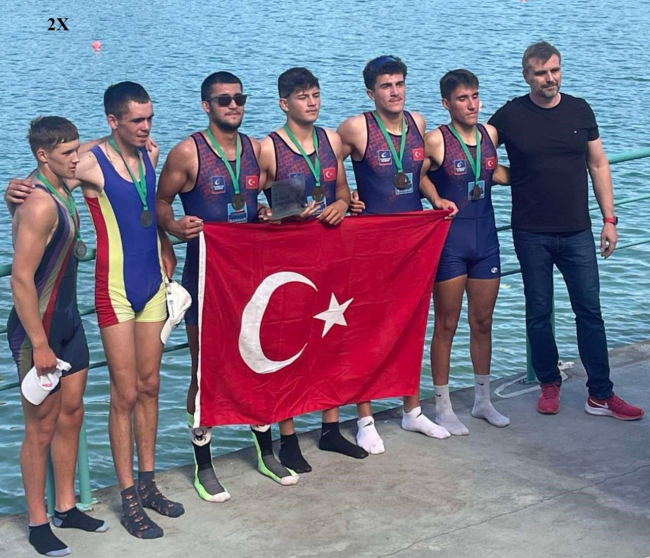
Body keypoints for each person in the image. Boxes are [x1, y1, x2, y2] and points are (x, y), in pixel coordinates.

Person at [6, 82, 185, 539]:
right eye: (137, 120)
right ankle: (128, 498)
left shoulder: (151, 152)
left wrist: (165, 240)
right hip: (115, 290)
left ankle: (148, 483)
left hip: (153, 284)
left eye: (149, 118)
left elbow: (148, 206)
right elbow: (47, 177)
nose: (146, 127)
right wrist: (14, 192)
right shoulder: (87, 161)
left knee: (149, 386)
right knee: (123, 395)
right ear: (113, 121)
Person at [156, 71, 298, 498]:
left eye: (239, 98)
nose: (233, 105)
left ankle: (266, 453)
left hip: (250, 276)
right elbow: (160, 202)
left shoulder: (256, 149)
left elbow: (275, 198)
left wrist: (273, 213)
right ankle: (204, 465)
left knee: (260, 362)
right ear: (207, 106)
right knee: (204, 370)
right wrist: (173, 227)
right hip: (205, 276)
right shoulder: (188, 152)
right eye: (223, 100)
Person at [488, 41, 644, 420]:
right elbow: (474, 153)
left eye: (555, 70)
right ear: (527, 75)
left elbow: (598, 164)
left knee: (589, 311)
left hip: (578, 231)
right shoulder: (510, 115)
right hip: (531, 233)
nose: (550, 78)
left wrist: (610, 220)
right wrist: (509, 176)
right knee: (539, 311)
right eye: (541, 73)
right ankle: (548, 383)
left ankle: (600, 394)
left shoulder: (579, 109)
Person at [337, 55, 456, 454]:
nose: (394, 92)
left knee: (411, 324)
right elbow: (324, 160)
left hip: (413, 240)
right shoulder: (356, 128)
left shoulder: (417, 123)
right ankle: (365, 419)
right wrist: (345, 196)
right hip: (372, 241)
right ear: (371, 93)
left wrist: (436, 198)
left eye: (399, 84)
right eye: (386, 86)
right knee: (368, 328)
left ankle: (412, 410)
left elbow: (418, 175)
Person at [7, 116, 108, 557]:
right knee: (40, 428)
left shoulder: (61, 183)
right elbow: (20, 279)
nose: (76, 159)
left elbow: (94, 147)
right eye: (67, 153)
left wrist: (121, 136)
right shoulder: (38, 203)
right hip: (39, 331)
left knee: (71, 414)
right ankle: (38, 522)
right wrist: (40, 343)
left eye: (75, 150)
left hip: (69, 323)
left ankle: (67, 507)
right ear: (42, 156)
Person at [258, 67, 364, 474]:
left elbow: (342, 190)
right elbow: (254, 204)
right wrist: (274, 214)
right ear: (284, 104)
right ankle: (287, 438)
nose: (312, 102)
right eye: (303, 97)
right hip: (288, 258)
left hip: (329, 252)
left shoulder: (331, 140)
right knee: (288, 344)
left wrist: (341, 204)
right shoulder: (269, 147)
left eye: (316, 94)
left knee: (331, 337)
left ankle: (330, 428)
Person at [422, 69, 510, 435]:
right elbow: (415, 175)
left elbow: (494, 171)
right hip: (451, 244)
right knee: (446, 324)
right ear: (446, 103)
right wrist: (435, 198)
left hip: (486, 240)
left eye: (475, 96)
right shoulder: (435, 140)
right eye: (462, 98)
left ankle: (482, 401)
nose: (471, 104)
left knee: (483, 322)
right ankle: (442, 407)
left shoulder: (490, 134)